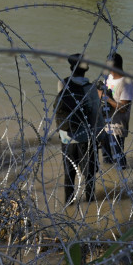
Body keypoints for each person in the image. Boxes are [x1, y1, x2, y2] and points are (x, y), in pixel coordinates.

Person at [54, 53, 100, 206]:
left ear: (71, 67)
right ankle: (91, 203)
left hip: (67, 137)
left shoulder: (62, 83)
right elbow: (94, 115)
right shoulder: (91, 88)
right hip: (85, 137)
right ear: (86, 69)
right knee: (89, 175)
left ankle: (69, 205)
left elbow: (61, 109)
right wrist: (97, 137)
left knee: (69, 174)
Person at [100, 53, 133, 168]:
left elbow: (124, 108)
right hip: (104, 125)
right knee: (106, 159)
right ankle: (110, 180)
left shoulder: (126, 82)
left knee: (118, 160)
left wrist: (106, 98)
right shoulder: (108, 78)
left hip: (117, 127)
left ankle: (121, 183)